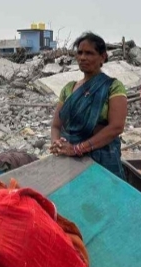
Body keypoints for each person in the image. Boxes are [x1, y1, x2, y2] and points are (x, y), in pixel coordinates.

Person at [50, 33, 127, 178]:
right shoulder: (69, 88)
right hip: (68, 161)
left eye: (89, 53)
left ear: (103, 57)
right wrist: (57, 143)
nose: (82, 57)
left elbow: (116, 127)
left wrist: (77, 149)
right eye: (79, 53)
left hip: (102, 160)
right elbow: (56, 126)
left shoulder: (113, 86)